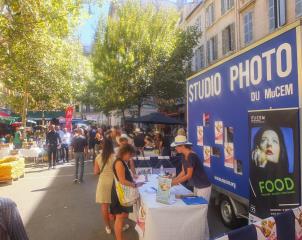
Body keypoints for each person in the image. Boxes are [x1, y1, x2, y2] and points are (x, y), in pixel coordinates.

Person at [249, 125, 295, 219]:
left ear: (281, 150)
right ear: (257, 147)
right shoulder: (251, 177)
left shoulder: (292, 178)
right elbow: (260, 206)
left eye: (275, 141)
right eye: (264, 140)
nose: (269, 144)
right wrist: (260, 167)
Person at [110, 144, 144, 240]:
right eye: (130, 155)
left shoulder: (122, 161)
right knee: (120, 217)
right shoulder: (119, 163)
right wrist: (135, 185)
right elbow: (122, 180)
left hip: (121, 193)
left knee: (122, 216)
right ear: (124, 153)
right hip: (120, 194)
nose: (131, 157)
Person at [171, 135, 211, 201]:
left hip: (203, 187)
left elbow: (188, 175)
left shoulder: (191, 156)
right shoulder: (184, 155)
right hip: (197, 185)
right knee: (197, 207)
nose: (175, 148)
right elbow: (184, 171)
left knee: (201, 207)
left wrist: (174, 182)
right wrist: (174, 180)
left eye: (176, 146)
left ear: (183, 146)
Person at [94, 137, 115, 234]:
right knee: (115, 205)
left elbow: (96, 172)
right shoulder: (115, 157)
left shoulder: (98, 157)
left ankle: (108, 227)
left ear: (102, 145)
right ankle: (118, 225)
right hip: (114, 183)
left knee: (104, 206)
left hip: (103, 183)